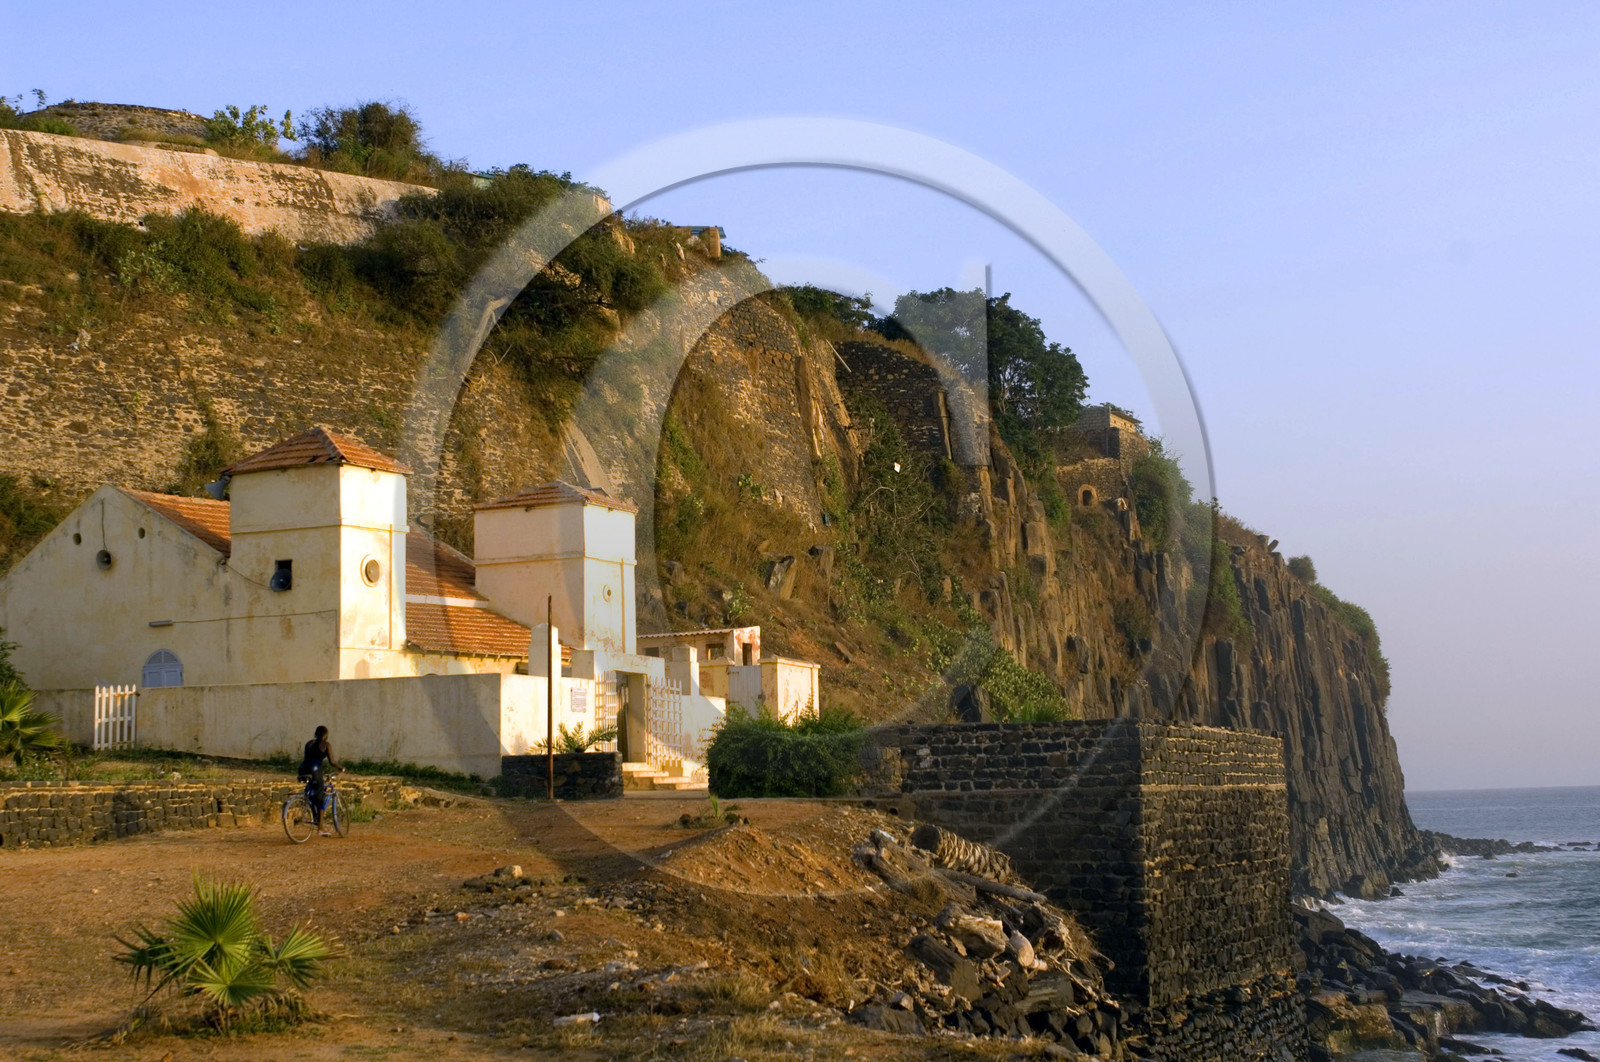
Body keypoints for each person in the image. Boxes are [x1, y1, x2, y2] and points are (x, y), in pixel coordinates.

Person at [297, 725, 343, 836]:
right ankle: (321, 828)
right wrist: (341, 768)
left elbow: (307, 759)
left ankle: (314, 815)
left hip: (303, 769)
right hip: (315, 770)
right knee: (321, 798)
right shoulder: (326, 745)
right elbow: (332, 762)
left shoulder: (309, 744)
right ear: (326, 735)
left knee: (312, 793)